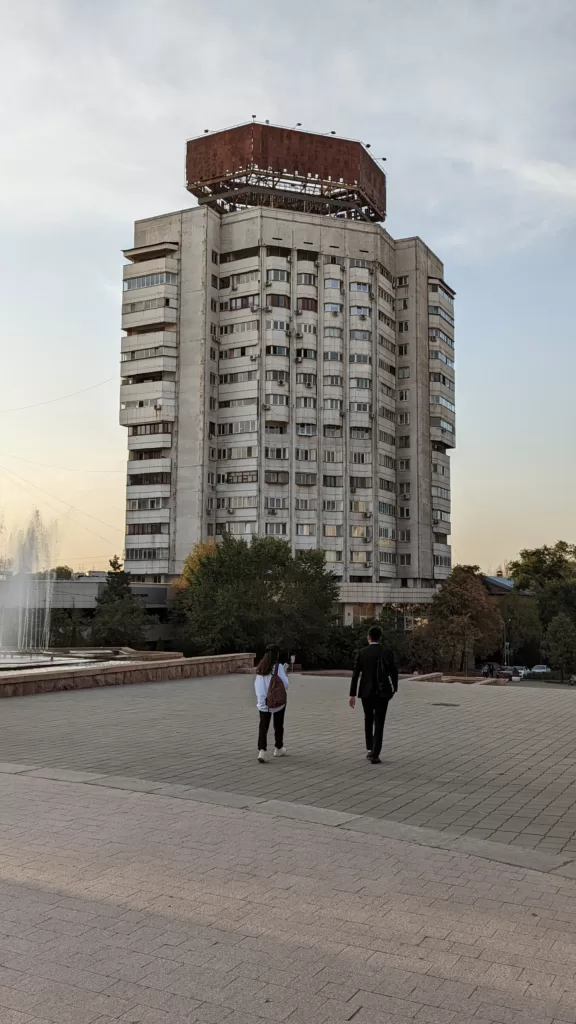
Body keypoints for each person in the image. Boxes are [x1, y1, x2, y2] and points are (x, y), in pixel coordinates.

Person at [349, 625, 398, 764]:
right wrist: (394, 688)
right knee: (379, 721)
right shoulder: (387, 652)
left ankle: (370, 749)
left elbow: (355, 674)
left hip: (366, 692)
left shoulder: (362, 652)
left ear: (369, 637)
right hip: (383, 693)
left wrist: (352, 694)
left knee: (368, 719)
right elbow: (394, 671)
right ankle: (376, 753)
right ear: (380, 637)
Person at [254, 645, 289, 763]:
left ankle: (262, 751)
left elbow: (257, 685)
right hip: (276, 702)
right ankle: (278, 748)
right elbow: (285, 684)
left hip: (263, 702)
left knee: (263, 726)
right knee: (278, 724)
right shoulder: (278, 667)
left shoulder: (260, 667)